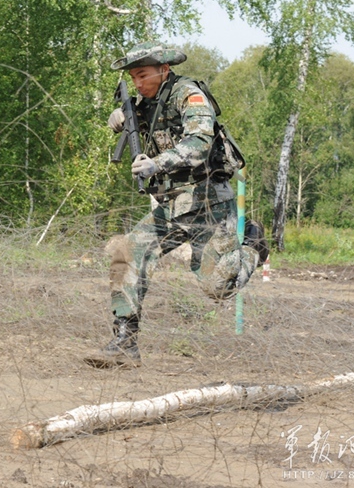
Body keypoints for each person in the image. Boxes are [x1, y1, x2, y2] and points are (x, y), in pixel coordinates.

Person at [97, 41, 269, 366]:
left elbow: (200, 142)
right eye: (133, 78)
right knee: (127, 253)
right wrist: (119, 117)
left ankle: (252, 246)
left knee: (217, 286)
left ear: (163, 70)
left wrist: (156, 164)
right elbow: (136, 123)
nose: (137, 83)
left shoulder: (187, 93)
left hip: (208, 204)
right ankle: (125, 342)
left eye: (143, 75)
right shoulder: (146, 103)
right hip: (172, 205)